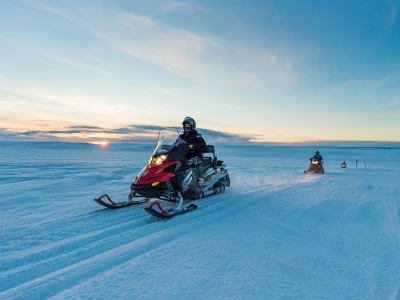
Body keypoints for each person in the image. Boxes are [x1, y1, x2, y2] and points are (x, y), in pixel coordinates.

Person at [179, 116, 207, 186]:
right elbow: (176, 144)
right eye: (185, 125)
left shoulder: (197, 135)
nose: (186, 127)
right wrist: (167, 147)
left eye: (188, 125)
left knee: (191, 162)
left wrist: (192, 146)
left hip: (195, 156)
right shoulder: (181, 137)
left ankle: (198, 181)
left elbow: (203, 146)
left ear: (192, 126)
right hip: (184, 156)